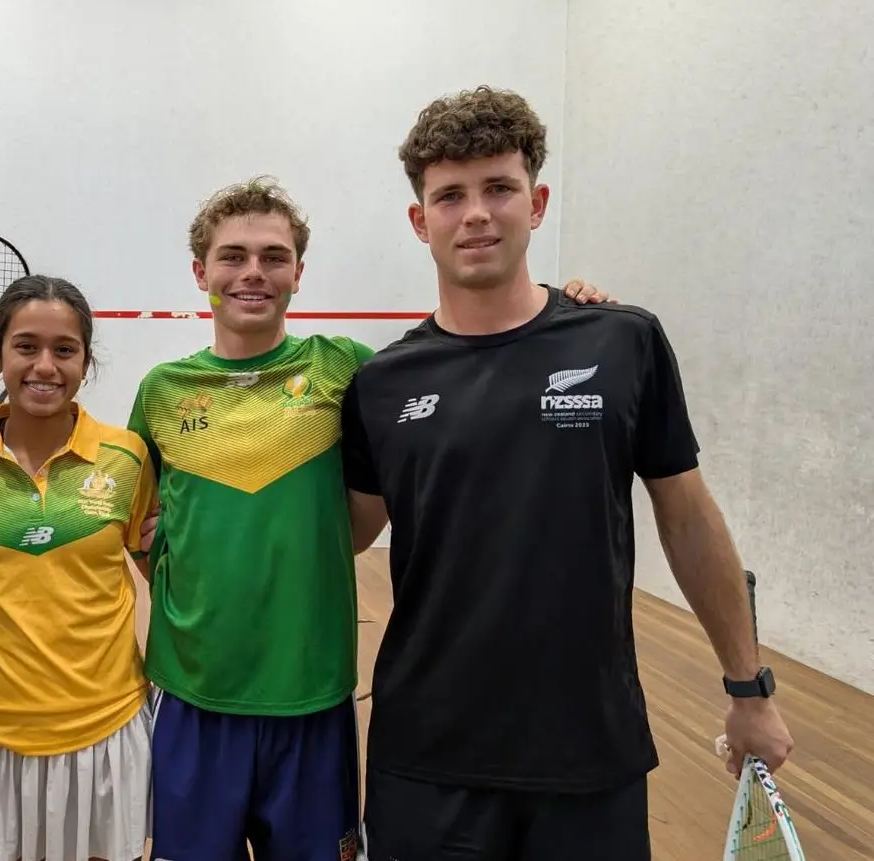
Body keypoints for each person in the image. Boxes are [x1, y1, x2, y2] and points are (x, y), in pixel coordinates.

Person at [339, 86, 796, 861]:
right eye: (450, 195)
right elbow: (344, 531)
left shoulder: (623, 342)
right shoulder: (381, 383)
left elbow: (687, 517)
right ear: (420, 220)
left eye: (499, 187)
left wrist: (748, 687)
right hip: (426, 756)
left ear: (537, 202)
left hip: (589, 751)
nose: (475, 213)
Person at [127, 176, 615, 861]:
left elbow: (466, 371)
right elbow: (138, 519)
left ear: (299, 272)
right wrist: (170, 566)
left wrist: (567, 315)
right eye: (232, 256)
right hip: (192, 698)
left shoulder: (348, 370)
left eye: (274, 256)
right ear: (200, 273)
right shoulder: (161, 391)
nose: (253, 272)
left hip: (313, 697)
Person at [0, 275, 159, 861]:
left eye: (65, 349)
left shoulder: (127, 457)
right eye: (26, 346)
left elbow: (159, 574)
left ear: (86, 361)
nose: (45, 366)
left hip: (105, 726)